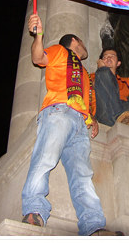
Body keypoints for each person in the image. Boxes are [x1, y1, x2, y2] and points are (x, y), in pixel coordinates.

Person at [21, 13, 122, 236]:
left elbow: (84, 101)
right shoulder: (60, 51)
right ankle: (33, 211)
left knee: (83, 176)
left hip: (80, 123)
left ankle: (93, 226)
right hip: (59, 111)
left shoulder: (84, 73)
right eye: (83, 43)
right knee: (45, 159)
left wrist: (91, 118)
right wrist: (38, 36)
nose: (86, 48)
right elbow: (38, 58)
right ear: (75, 41)